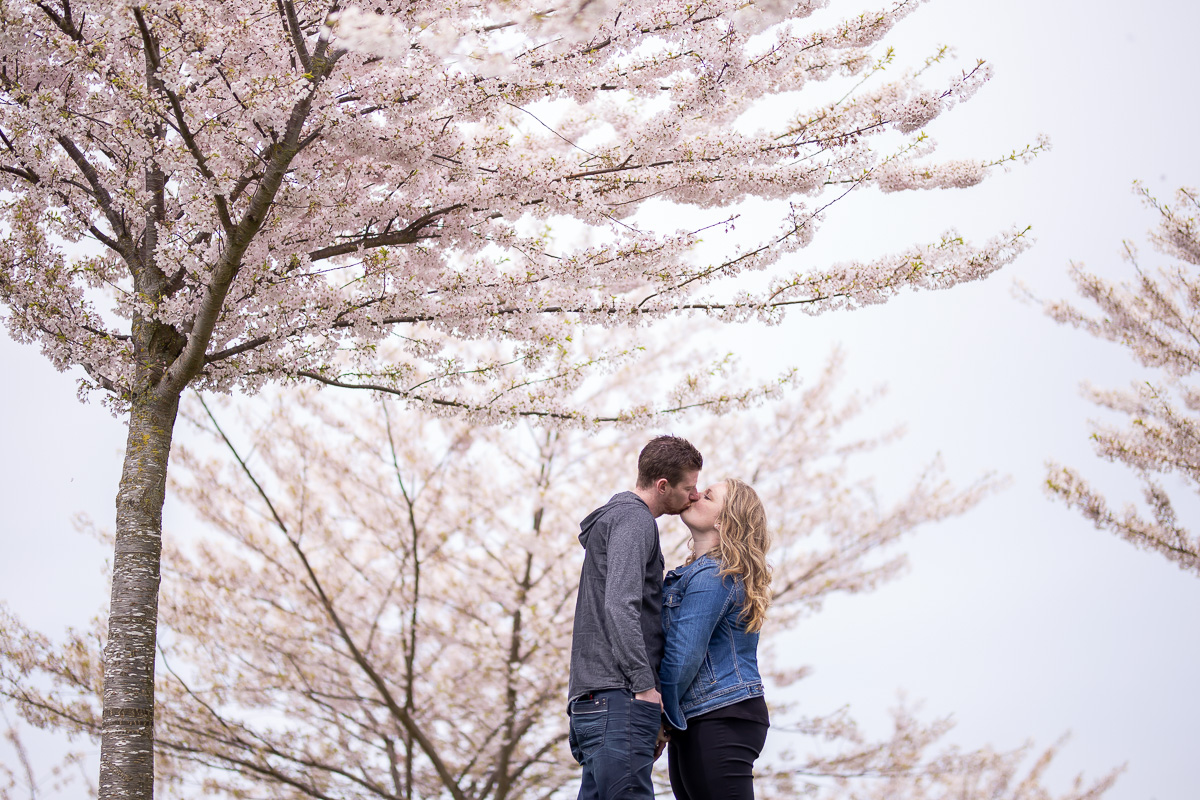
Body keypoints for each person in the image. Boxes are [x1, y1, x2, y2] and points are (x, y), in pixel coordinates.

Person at [567, 435, 704, 800]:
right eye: (689, 488)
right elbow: (620, 604)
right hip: (619, 698)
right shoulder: (635, 520)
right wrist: (645, 687)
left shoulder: (615, 520)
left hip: (597, 701)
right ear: (663, 486)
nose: (694, 495)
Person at [659, 479, 772, 800]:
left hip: (720, 715)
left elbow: (683, 656)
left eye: (707, 496)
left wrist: (659, 719)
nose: (694, 495)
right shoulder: (697, 572)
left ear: (725, 520)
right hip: (700, 715)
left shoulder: (715, 574)